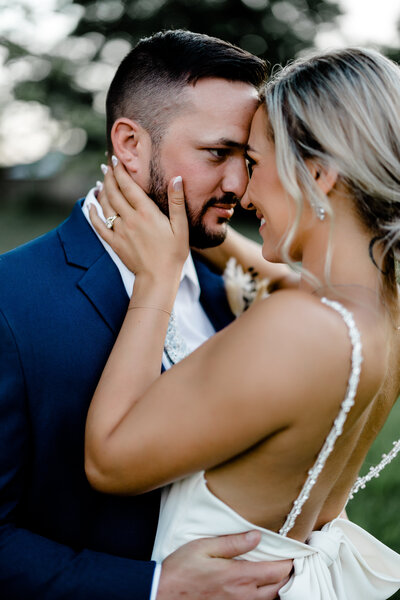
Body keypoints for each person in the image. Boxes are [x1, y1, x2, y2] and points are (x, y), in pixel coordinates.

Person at [85, 47, 400, 599]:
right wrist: (190, 219)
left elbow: (109, 460)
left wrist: (159, 280)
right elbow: (277, 277)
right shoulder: (379, 311)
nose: (244, 193)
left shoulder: (296, 328)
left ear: (320, 174)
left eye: (253, 162)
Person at [0, 30, 293, 599]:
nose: (239, 185)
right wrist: (153, 587)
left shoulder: (224, 290)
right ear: (130, 144)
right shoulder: (11, 303)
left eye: (248, 158)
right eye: (217, 153)